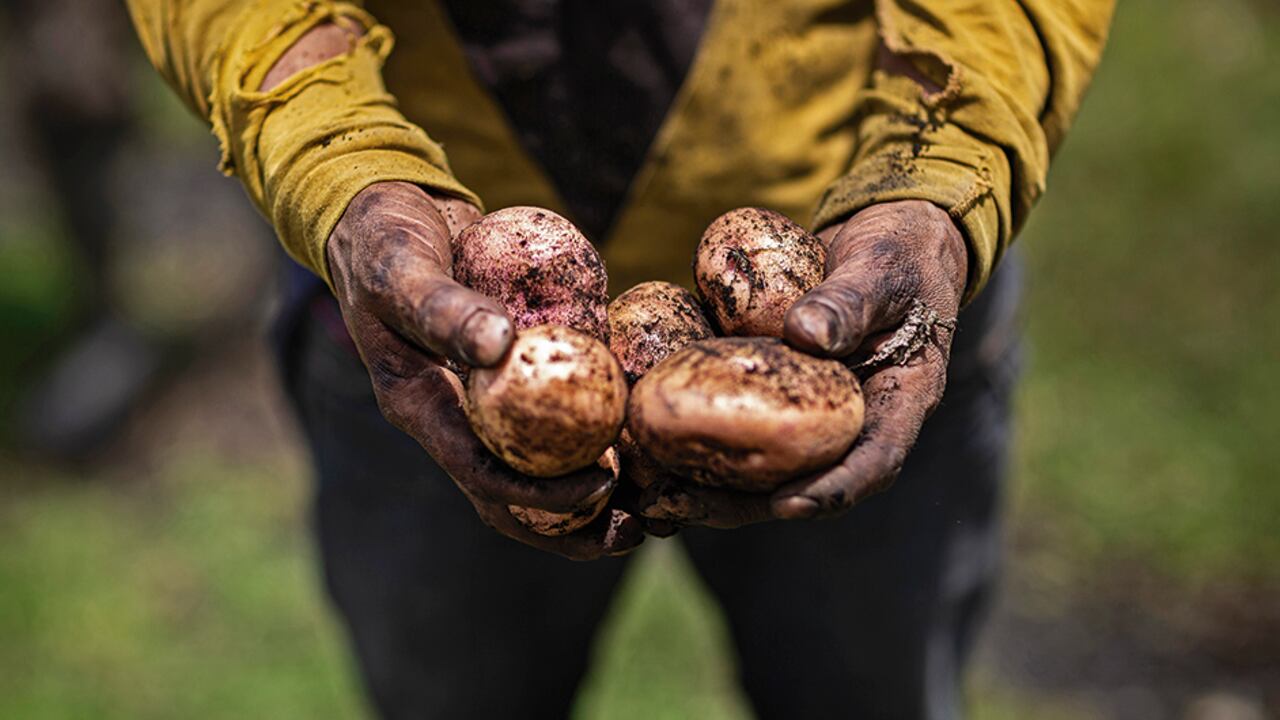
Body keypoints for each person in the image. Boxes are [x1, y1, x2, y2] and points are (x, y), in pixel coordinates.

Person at [126, 2, 1114, 717]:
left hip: (866, 290)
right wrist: (333, 165)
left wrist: (942, 181)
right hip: (427, 310)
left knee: (872, 693)